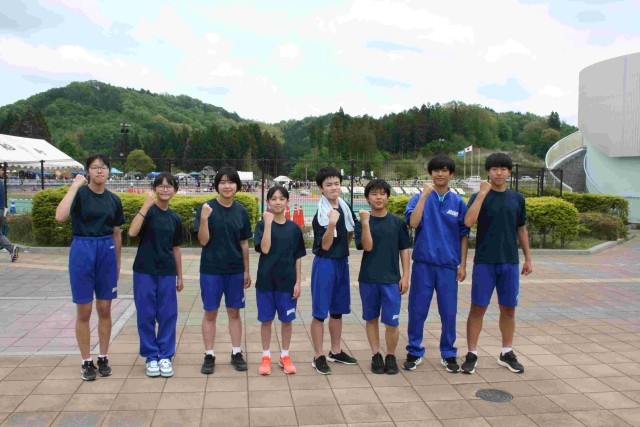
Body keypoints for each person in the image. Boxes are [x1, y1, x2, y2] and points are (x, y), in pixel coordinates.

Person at [461, 153, 533, 375]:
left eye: (503, 169)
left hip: (509, 262)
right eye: (494, 169)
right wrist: (482, 194)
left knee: (508, 308)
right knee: (477, 308)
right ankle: (472, 353)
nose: (499, 173)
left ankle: (506, 351)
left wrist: (528, 258)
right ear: (488, 172)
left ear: (509, 172)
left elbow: (521, 228)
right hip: (484, 261)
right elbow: (468, 222)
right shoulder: (479, 196)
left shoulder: (517, 198)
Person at [55, 155, 125, 381]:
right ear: (87, 171)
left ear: (109, 171)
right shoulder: (79, 194)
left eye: (103, 167)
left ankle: (103, 356)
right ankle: (86, 360)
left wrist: (117, 263)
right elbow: (60, 216)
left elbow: (117, 234)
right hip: (82, 248)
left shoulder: (113, 200)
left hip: (106, 249)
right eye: (94, 168)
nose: (99, 171)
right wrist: (75, 185)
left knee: (105, 308)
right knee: (84, 310)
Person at [403, 155, 470, 372]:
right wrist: (424, 196)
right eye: (436, 170)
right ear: (430, 173)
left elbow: (464, 235)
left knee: (448, 312)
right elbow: (413, 223)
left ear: (451, 174)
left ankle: (448, 353)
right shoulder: (418, 198)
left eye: (444, 170)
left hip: (448, 266)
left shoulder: (458, 202)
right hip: (423, 264)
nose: (440, 174)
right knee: (417, 309)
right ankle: (414, 350)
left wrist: (463, 265)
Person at [195, 166, 252, 375]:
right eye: (222, 182)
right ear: (216, 185)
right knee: (210, 312)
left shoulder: (241, 211)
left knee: (234, 312)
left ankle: (236, 352)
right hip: (211, 269)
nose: (227, 186)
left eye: (231, 182)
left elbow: (244, 243)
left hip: (235, 270)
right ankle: (209, 354)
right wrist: (204, 219)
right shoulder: (206, 208)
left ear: (237, 185)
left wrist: (246, 271)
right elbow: (203, 241)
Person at [128, 172, 184, 378]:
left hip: (167, 272)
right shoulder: (148, 212)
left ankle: (165, 356)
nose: (165, 189)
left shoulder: (175, 218)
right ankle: (151, 356)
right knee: (146, 314)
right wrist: (145, 206)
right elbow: (132, 232)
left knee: (168, 314)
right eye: (160, 186)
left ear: (175, 190)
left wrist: (180, 276)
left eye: (169, 186)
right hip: (144, 270)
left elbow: (176, 249)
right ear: (154, 189)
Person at [355, 179, 410, 375]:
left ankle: (391, 355)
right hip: (368, 279)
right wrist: (365, 222)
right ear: (367, 198)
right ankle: (376, 354)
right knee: (371, 319)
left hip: (391, 280)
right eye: (374, 194)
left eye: (382, 193)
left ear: (387, 196)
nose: (378, 197)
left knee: (392, 322)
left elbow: (404, 250)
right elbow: (367, 246)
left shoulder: (397, 222)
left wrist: (405, 276)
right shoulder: (362, 222)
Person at [310, 166, 358, 375]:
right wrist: (331, 224)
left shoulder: (345, 207)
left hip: (341, 262)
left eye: (336, 184)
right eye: (328, 185)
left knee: (337, 311)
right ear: (321, 188)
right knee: (320, 312)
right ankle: (318, 355)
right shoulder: (321, 214)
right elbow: (326, 245)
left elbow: (349, 234)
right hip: (325, 263)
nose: (333, 188)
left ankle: (335, 351)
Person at [254, 185, 306, 375]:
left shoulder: (294, 229)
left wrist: (298, 282)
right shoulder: (262, 226)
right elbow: (265, 248)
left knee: (287, 321)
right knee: (266, 320)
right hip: (266, 282)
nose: (277, 202)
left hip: (287, 283)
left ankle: (285, 355)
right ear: (268, 201)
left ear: (287, 202)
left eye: (281, 199)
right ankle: (266, 356)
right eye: (274, 199)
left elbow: (298, 257)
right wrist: (268, 224)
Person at [0, 171, 19, 262]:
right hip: (2, 211)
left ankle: (11, 248)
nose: (2, 172)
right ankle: (11, 249)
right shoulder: (1, 183)